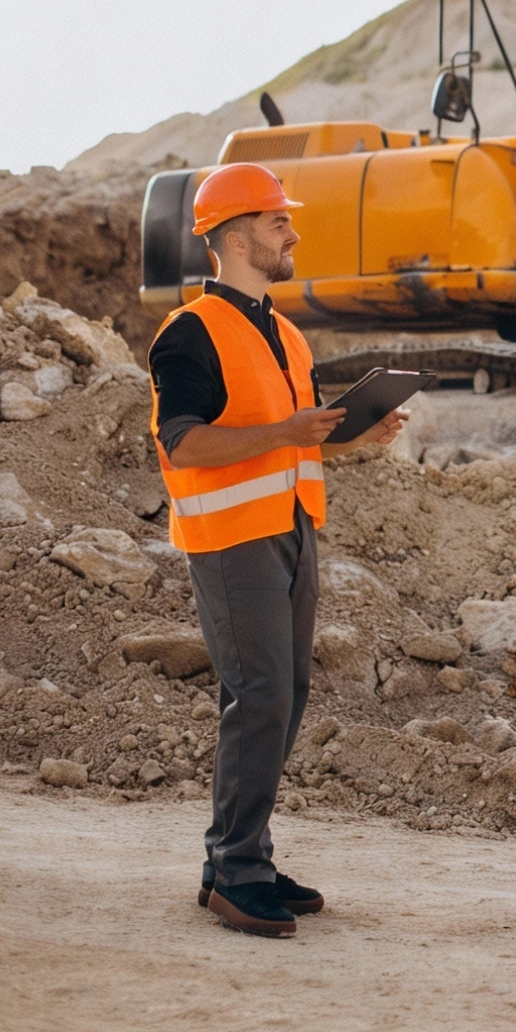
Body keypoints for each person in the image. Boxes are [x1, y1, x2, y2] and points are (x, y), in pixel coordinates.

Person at [147, 162, 406, 938]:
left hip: (292, 527)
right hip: (230, 538)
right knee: (258, 694)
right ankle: (236, 873)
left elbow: (291, 445)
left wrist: (356, 437)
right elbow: (185, 444)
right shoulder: (189, 332)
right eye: (277, 220)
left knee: (283, 694)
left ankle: (239, 853)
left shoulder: (285, 332)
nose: (292, 231)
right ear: (233, 234)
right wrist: (288, 434)